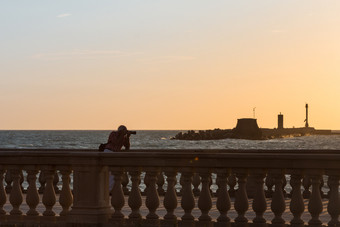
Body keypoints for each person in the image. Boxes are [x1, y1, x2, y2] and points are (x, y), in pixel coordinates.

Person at [104, 125, 131, 191]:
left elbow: (127, 147)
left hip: (114, 154)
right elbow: (116, 142)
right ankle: (108, 189)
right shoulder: (113, 134)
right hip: (108, 152)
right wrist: (122, 135)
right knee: (109, 172)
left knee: (114, 172)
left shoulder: (124, 137)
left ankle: (110, 189)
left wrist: (127, 137)